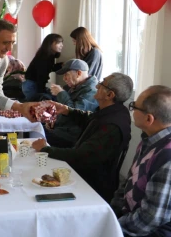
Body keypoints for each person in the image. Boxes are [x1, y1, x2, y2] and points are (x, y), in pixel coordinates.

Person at [111, 86, 171, 237]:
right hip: (138, 224)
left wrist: (109, 227)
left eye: (133, 106)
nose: (131, 110)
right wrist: (110, 214)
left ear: (149, 118)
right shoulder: (152, 139)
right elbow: (129, 183)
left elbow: (150, 220)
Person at [32, 73, 133, 203]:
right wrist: (67, 110)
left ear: (110, 95)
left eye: (102, 84)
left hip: (91, 185)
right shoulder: (114, 111)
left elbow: (81, 157)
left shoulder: (112, 125)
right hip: (87, 172)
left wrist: (45, 149)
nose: (97, 85)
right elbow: (90, 119)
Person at [45, 59, 98, 148]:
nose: (64, 78)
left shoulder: (91, 91)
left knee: (37, 135)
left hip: (72, 137)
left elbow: (75, 113)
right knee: (36, 128)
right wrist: (53, 120)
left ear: (79, 73)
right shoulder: (76, 86)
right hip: (62, 129)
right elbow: (63, 110)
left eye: (67, 74)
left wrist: (61, 93)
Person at [22, 33, 63, 101]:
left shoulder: (49, 56)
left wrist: (60, 65)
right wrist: (42, 93)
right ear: (50, 44)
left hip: (33, 84)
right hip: (32, 85)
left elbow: (48, 69)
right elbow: (41, 75)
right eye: (58, 43)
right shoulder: (44, 57)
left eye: (62, 42)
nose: (62, 45)